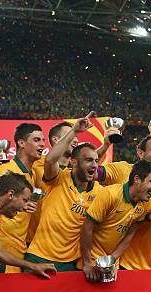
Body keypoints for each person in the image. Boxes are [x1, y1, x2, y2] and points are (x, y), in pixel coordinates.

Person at [25, 112, 104, 271]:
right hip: (39, 255)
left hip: (71, 262)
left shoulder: (100, 193)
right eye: (89, 160)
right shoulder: (58, 177)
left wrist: (107, 144)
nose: (94, 165)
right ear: (74, 162)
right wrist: (74, 130)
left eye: (96, 161)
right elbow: (50, 160)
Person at [0, 123, 46, 273]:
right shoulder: (5, 170)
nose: (42, 144)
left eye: (43, 140)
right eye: (37, 140)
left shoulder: (31, 174)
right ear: (21, 143)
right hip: (0, 251)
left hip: (18, 251)